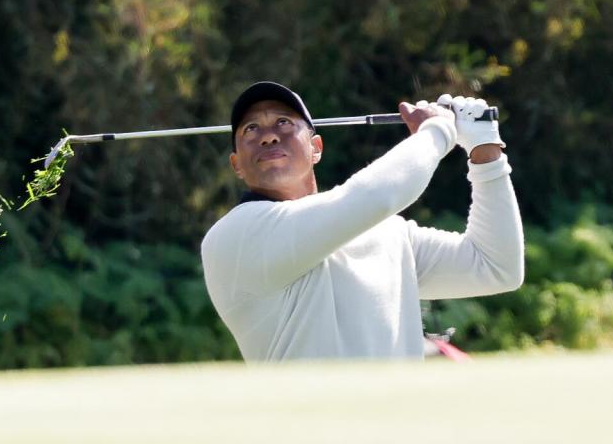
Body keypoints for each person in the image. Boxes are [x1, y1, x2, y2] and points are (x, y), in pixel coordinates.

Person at [200, 81, 524, 362]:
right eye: (250, 129)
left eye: (284, 122)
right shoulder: (236, 235)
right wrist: (437, 130)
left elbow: (496, 268)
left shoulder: (388, 233)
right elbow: (377, 196)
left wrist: (486, 154)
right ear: (236, 165)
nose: (269, 136)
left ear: (316, 148)